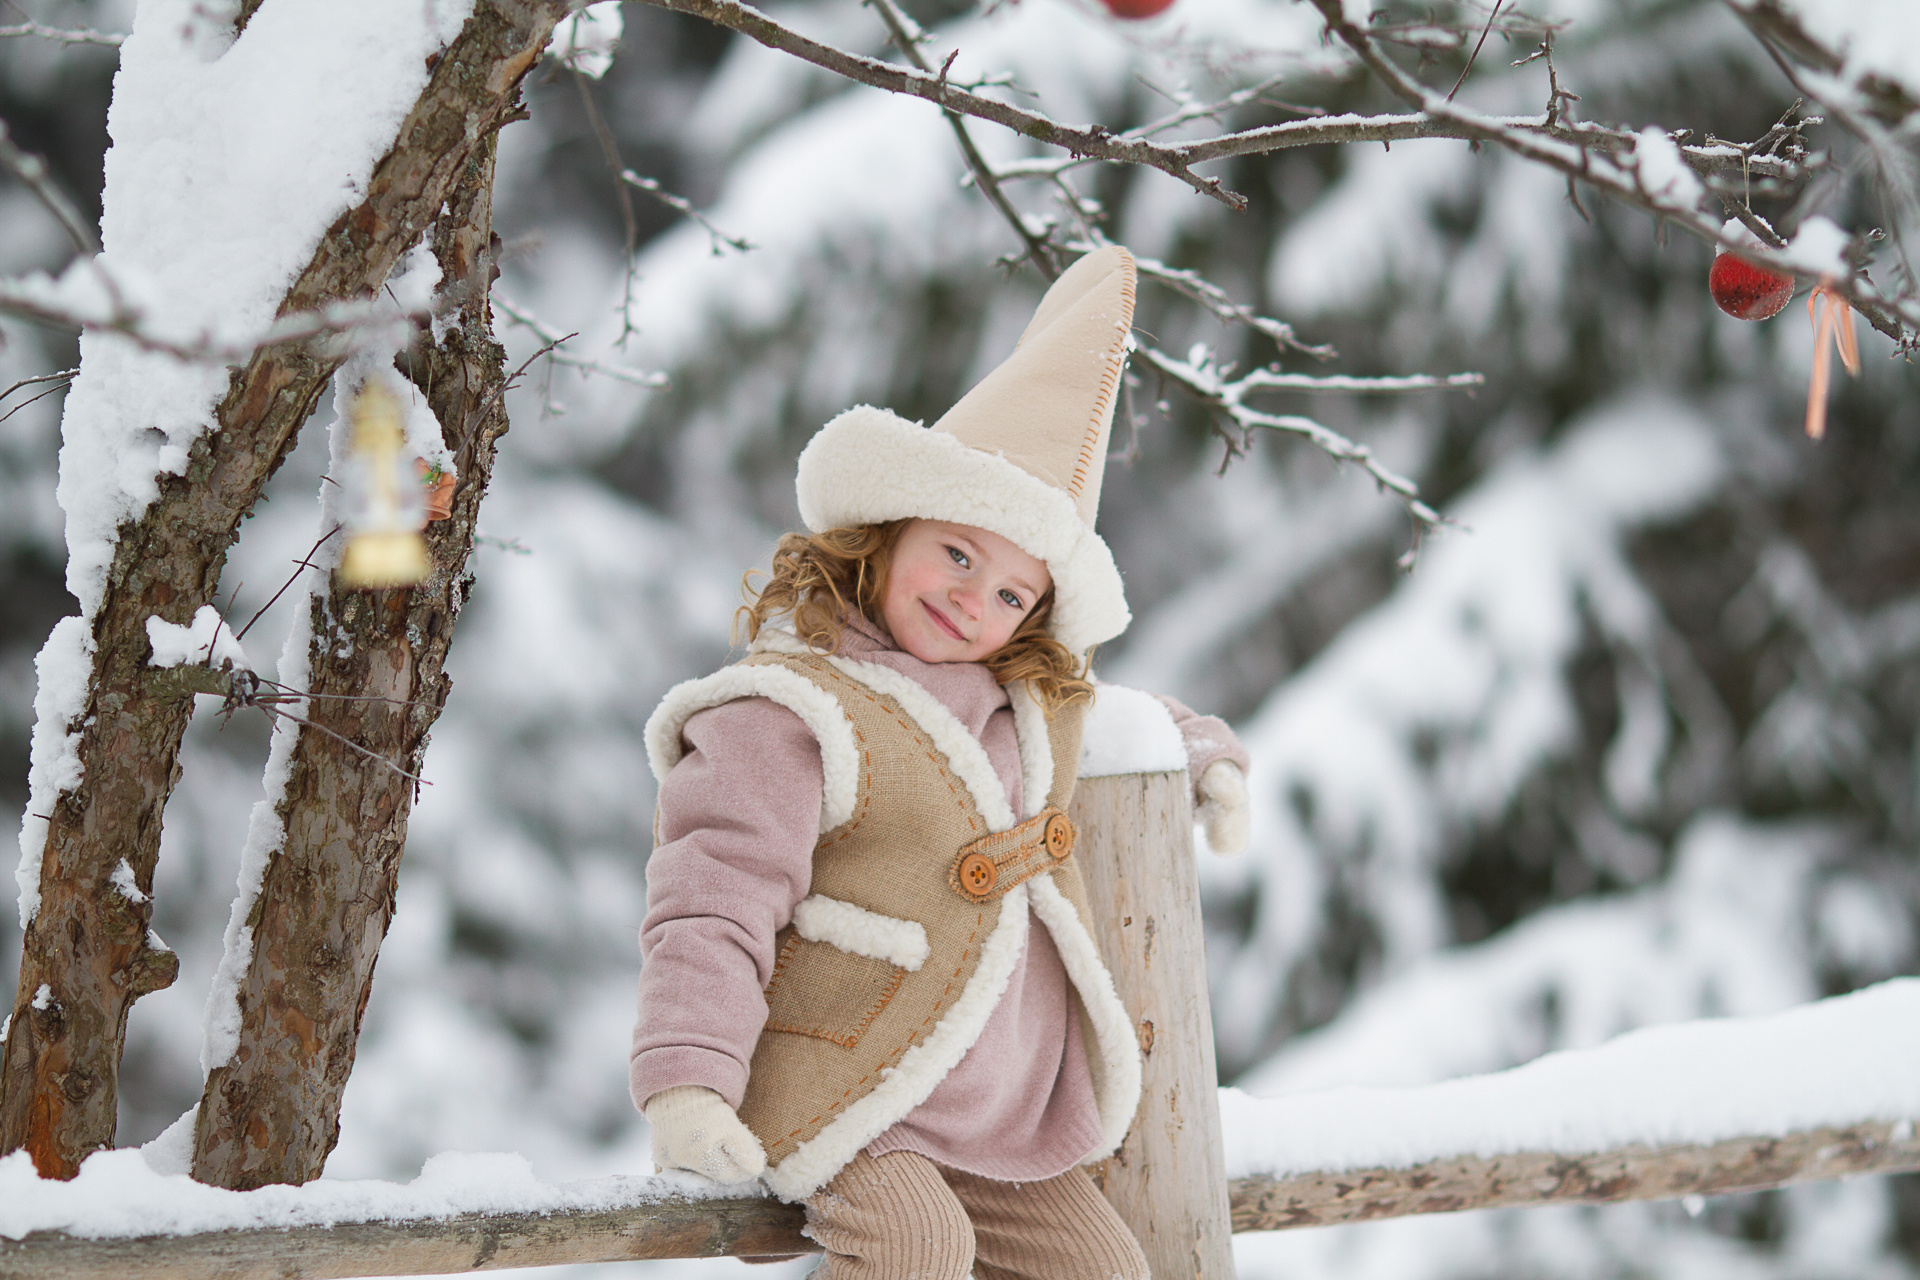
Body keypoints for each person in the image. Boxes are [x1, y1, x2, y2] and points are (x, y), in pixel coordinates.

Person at [630, 246, 1250, 1280]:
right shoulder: (789, 708)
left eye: (1010, 594)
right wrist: (687, 1080)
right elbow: (711, 896)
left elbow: (1129, 717)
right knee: (916, 1246)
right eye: (958, 553)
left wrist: (1204, 757)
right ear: (888, 530)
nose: (972, 600)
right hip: (842, 1078)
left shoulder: (1020, 701)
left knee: (1102, 1271)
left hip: (988, 1110)